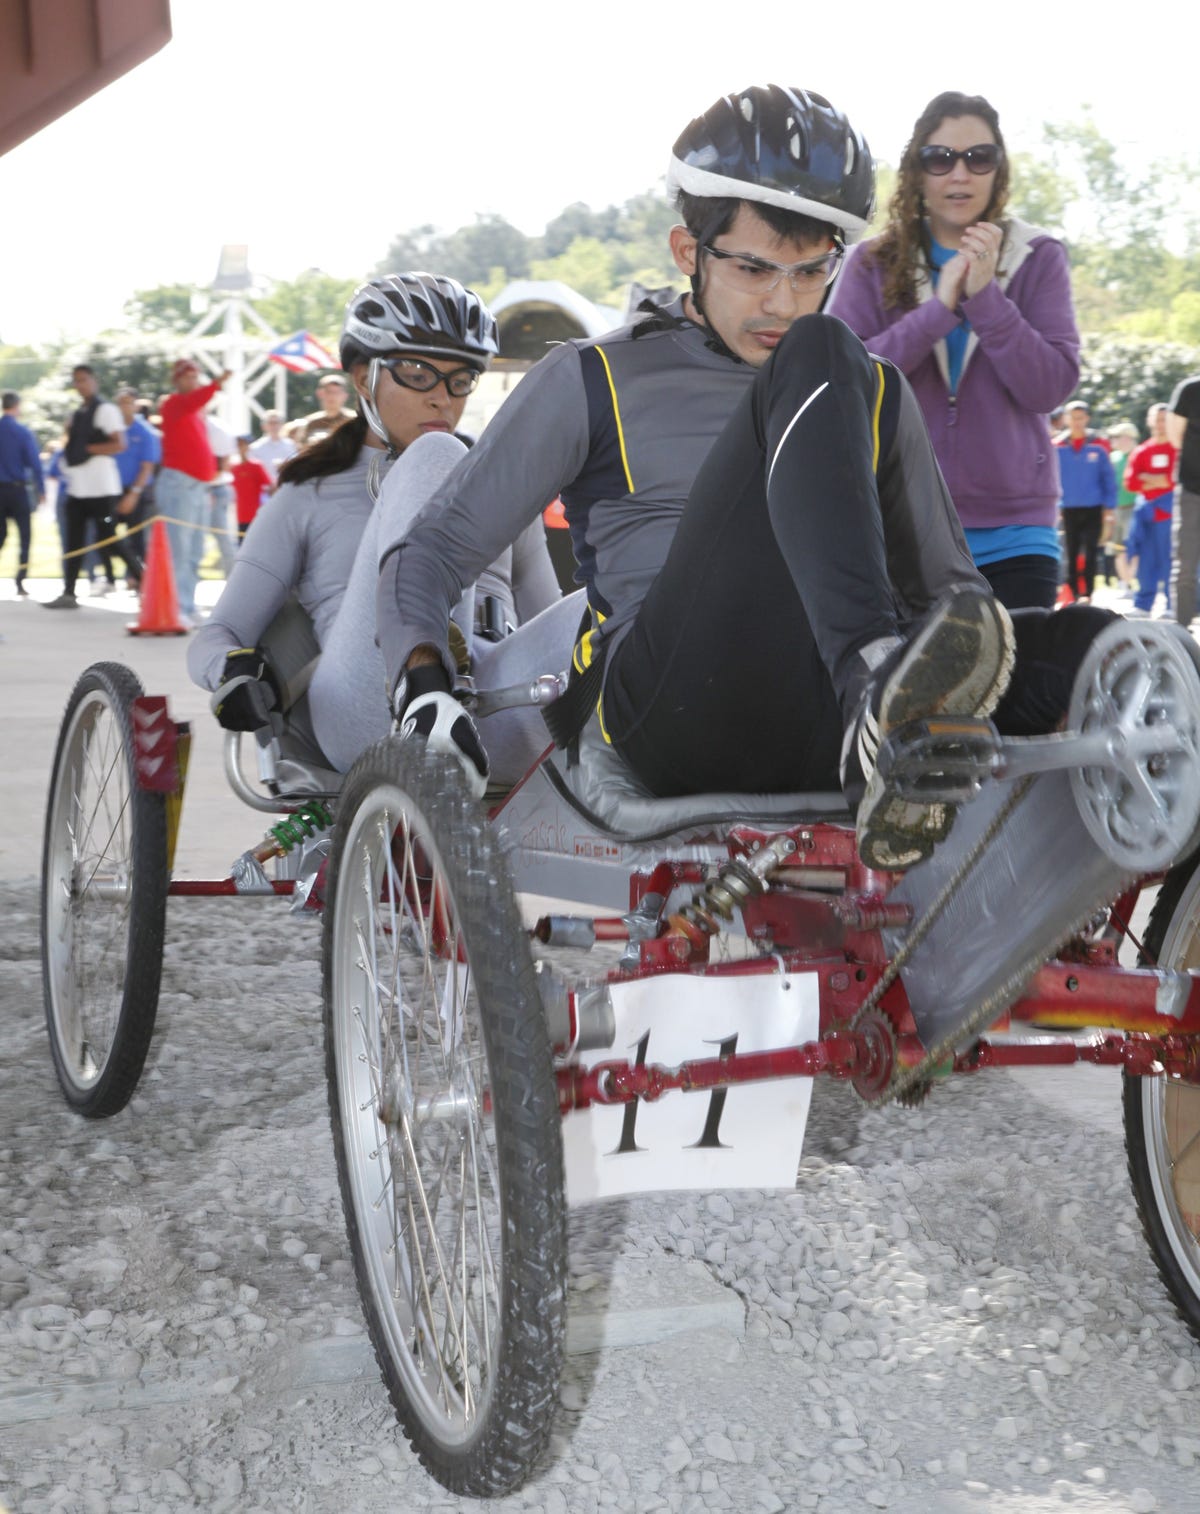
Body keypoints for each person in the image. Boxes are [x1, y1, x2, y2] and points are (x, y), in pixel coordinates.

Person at [376, 84, 1114, 874]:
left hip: (832, 711)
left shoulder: (864, 388)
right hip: (673, 706)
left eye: (809, 272)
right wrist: (425, 684)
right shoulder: (595, 376)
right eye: (755, 268)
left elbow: (953, 596)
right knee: (826, 351)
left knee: (1115, 653)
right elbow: (432, 551)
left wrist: (1028, 675)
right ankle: (873, 690)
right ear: (689, 251)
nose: (783, 301)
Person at [188, 273, 570, 778]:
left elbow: (553, 623)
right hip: (366, 711)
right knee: (439, 454)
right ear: (364, 377)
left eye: (460, 379)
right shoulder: (308, 493)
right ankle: (424, 689)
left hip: (493, 706)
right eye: (417, 373)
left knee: (613, 610)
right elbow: (218, 634)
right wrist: (233, 670)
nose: (443, 398)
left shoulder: (502, 482)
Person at [827, 91, 1080, 612]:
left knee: (1020, 690)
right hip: (898, 524)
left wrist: (986, 298)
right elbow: (843, 382)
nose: (959, 174)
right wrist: (938, 310)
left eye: (978, 157)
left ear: (998, 169)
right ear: (916, 170)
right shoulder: (872, 262)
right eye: (940, 159)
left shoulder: (1037, 256)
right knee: (907, 693)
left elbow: (1050, 387)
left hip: (1017, 533)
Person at [45, 364, 137, 609]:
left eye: (84, 379)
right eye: (76, 380)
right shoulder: (78, 414)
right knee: (74, 541)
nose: (80, 385)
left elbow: (120, 444)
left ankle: (143, 579)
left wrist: (88, 449)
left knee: (108, 537)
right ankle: (69, 592)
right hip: (79, 489)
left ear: (94, 380)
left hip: (101, 488)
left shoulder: (105, 410)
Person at [157, 359, 229, 626]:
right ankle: (177, 607)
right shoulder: (174, 404)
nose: (193, 381)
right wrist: (216, 384)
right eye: (187, 377)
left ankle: (187, 605)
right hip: (181, 485)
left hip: (197, 487)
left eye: (195, 376)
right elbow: (195, 400)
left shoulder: (194, 413)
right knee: (180, 549)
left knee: (195, 549)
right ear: (177, 380)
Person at [1054, 400, 1116, 603]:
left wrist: (1109, 507)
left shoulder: (1098, 445)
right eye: (1073, 417)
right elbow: (1051, 478)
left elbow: (1108, 478)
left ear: (1087, 418)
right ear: (1066, 419)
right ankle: (1072, 592)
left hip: (1093, 507)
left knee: (1090, 550)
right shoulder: (1058, 446)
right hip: (1067, 508)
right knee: (1070, 551)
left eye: (1081, 417)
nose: (1077, 422)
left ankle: (1088, 593)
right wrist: (1054, 505)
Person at [1124, 403, 1178, 617]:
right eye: (1156, 419)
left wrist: (1150, 479)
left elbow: (1176, 479)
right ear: (1149, 421)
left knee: (1172, 560)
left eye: (1164, 419)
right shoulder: (1141, 450)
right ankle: (1143, 604)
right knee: (1145, 559)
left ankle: (1173, 606)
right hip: (1146, 514)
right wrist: (1159, 480)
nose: (1160, 424)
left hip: (1171, 513)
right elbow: (1131, 482)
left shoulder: (1179, 449)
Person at [113, 386, 161, 593]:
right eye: (120, 402)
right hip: (113, 490)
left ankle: (139, 578)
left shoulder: (144, 431)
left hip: (136, 491)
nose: (124, 406)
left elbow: (147, 465)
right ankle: (126, 574)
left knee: (136, 538)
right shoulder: (112, 429)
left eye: (128, 402)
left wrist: (134, 493)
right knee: (106, 533)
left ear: (135, 405)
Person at [0, 390, 45, 596]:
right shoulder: (22, 432)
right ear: (17, 406)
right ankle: (20, 579)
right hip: (17, 490)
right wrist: (41, 490)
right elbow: (35, 464)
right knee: (25, 536)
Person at [1168, 374, 1200, 627]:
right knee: (1186, 565)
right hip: (1193, 490)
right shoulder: (1190, 389)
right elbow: (1175, 436)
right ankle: (1182, 629)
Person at [1108, 419, 1141, 592]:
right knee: (1117, 548)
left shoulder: (1139, 454)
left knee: (1134, 548)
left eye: (1117, 436)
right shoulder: (1113, 457)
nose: (1113, 439)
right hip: (1116, 510)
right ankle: (1124, 583)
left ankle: (1132, 582)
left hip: (1135, 508)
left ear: (1128, 437)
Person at [205, 409, 237, 576]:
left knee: (223, 538)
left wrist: (206, 488)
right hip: (201, 489)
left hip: (215, 489)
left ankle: (233, 580)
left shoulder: (215, 428)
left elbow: (223, 463)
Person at [289, 374, 355, 446]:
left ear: (345, 395)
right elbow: (300, 447)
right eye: (328, 391)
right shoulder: (311, 422)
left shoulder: (353, 420)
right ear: (320, 393)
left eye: (336, 392)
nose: (332, 396)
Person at [230, 434, 273, 541]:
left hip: (256, 513)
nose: (240, 447)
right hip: (240, 514)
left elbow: (269, 485)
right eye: (238, 445)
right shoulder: (233, 467)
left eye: (243, 444)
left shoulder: (256, 466)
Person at [248, 410, 297, 481]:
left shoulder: (290, 445)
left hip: (285, 485)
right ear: (264, 426)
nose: (274, 426)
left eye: (276, 423)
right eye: (271, 423)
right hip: (265, 489)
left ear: (281, 425)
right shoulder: (255, 447)